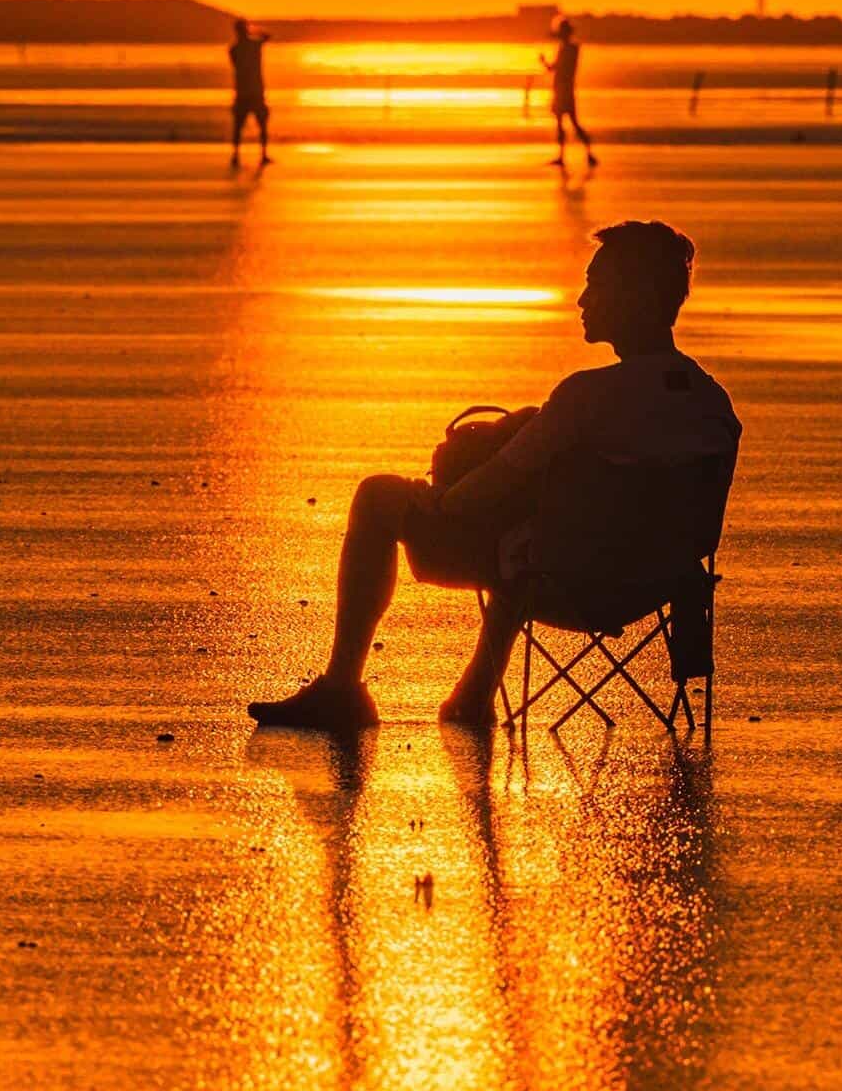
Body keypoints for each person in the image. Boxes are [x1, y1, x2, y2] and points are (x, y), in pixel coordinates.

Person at [248, 218, 741, 734]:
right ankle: (474, 693)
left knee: (381, 497)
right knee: (538, 532)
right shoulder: (714, 405)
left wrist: (439, 498)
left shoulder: (587, 398)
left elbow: (487, 490)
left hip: (566, 581)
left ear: (635, 295)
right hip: (651, 585)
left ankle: (341, 690)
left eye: (597, 284)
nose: (581, 299)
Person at [541, 16, 597, 169]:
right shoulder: (570, 48)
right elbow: (555, 68)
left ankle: (580, 154)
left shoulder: (569, 49)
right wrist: (546, 63)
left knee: (569, 123)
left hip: (563, 90)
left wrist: (544, 63)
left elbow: (556, 68)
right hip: (564, 90)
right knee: (569, 123)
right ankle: (576, 155)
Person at [229, 17, 272, 167]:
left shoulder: (234, 49)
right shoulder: (254, 45)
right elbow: (267, 36)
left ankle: (236, 156)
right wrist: (254, 31)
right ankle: (263, 155)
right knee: (261, 125)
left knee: (238, 126)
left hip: (243, 92)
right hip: (254, 92)